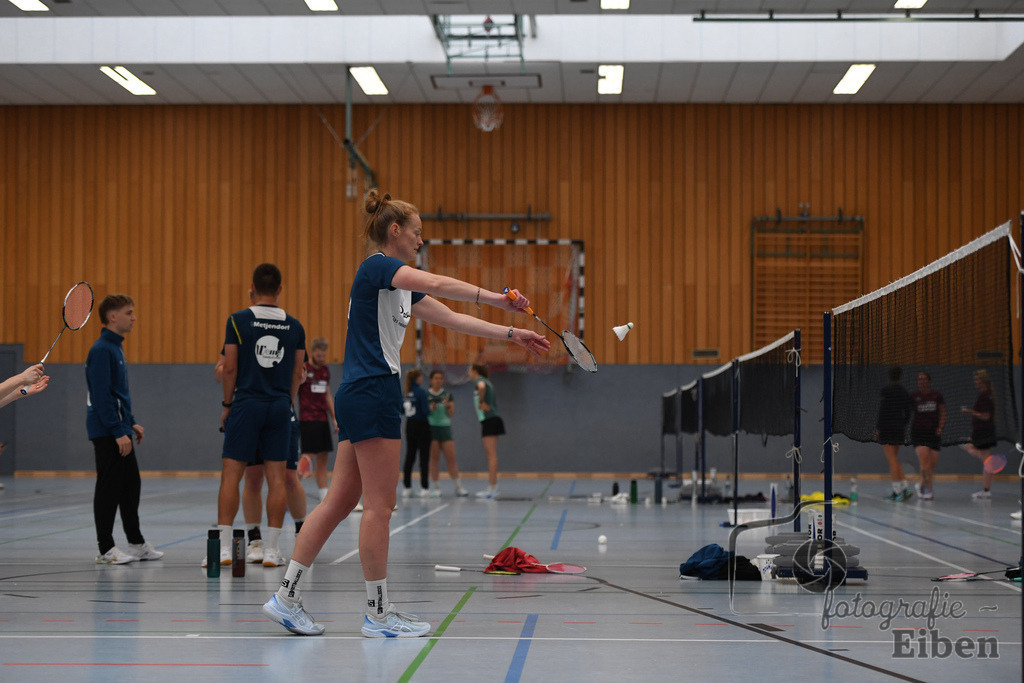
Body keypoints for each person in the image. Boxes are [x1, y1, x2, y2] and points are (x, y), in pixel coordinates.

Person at [262, 189, 549, 638]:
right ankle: (378, 613)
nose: (420, 241)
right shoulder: (377, 267)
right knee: (380, 507)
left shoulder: (399, 289)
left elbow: (453, 318)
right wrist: (498, 297)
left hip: (360, 392)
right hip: (374, 390)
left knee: (338, 502)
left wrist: (512, 332)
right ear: (394, 231)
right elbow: (435, 283)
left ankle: (286, 596)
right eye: (417, 234)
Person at [217, 264, 305, 569]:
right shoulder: (295, 327)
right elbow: (297, 372)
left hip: (247, 403)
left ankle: (226, 549)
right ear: (280, 289)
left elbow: (229, 368)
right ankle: (271, 551)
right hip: (280, 405)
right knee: (277, 478)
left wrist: (228, 403)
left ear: (252, 288)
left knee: (232, 475)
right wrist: (287, 401)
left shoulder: (238, 321)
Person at [86, 294, 163, 565]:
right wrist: (117, 431)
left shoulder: (116, 348)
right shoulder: (101, 350)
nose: (134, 317)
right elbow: (101, 396)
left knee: (131, 485)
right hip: (106, 431)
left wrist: (129, 423)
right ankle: (106, 549)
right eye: (129, 312)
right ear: (112, 317)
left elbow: (119, 395)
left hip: (118, 428)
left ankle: (136, 542)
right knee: (109, 487)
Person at [298, 337, 337, 502]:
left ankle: (323, 496)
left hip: (322, 420)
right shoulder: (304, 369)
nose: (322, 358)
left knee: (323, 457)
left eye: (324, 356)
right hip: (307, 419)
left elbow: (327, 394)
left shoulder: (325, 370)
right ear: (313, 352)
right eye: (319, 355)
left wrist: (334, 418)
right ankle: (290, 490)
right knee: (307, 457)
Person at [427, 369, 467, 497]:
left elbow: (451, 413)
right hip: (432, 428)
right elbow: (424, 413)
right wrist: (430, 409)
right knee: (434, 459)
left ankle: (458, 487)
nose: (438, 380)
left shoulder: (447, 395)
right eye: (436, 378)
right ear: (431, 380)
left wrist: (448, 406)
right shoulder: (426, 395)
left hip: (445, 428)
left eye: (440, 378)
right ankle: (436, 487)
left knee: (451, 458)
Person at [874, 366, 912, 502]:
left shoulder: (886, 391)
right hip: (899, 429)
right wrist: (903, 426)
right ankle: (905, 488)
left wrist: (878, 430)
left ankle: (897, 491)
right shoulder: (904, 392)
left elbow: (882, 412)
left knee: (892, 460)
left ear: (889, 376)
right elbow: (908, 413)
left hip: (887, 428)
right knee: (894, 459)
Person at [469, 364, 505, 499]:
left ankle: (492, 487)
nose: (469, 374)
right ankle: (493, 486)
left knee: (491, 456)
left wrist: (481, 401)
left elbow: (481, 387)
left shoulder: (481, 381)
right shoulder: (486, 381)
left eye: (470, 371)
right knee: (491, 455)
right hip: (491, 420)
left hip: (490, 419)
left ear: (475, 371)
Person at [962, 369, 998, 500]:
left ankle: (986, 490)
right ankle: (986, 488)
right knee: (968, 445)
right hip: (981, 431)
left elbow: (986, 416)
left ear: (982, 381)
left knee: (986, 460)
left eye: (977, 379)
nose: (975, 382)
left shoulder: (985, 395)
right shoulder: (986, 394)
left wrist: (970, 412)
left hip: (984, 431)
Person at [909, 372, 945, 501]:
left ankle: (921, 484)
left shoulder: (936, 396)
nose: (921, 381)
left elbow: (943, 412)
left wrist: (940, 427)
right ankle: (928, 489)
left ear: (929, 381)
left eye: (924, 379)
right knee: (924, 462)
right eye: (919, 379)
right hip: (918, 434)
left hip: (933, 434)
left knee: (932, 465)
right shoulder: (914, 396)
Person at [401, 369, 431, 498]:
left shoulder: (406, 392)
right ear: (418, 378)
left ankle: (407, 487)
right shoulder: (421, 392)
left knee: (410, 456)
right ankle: (424, 487)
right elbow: (425, 411)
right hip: (422, 425)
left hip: (410, 425)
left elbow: (401, 410)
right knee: (424, 457)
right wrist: (431, 409)